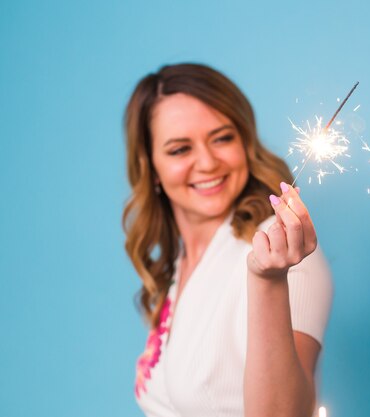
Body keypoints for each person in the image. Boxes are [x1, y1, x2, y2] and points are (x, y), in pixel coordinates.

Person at [122, 63, 333, 417]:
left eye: (222, 138)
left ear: (245, 142)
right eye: (179, 149)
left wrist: (268, 280)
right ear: (151, 167)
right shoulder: (179, 266)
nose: (207, 162)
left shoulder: (279, 248)